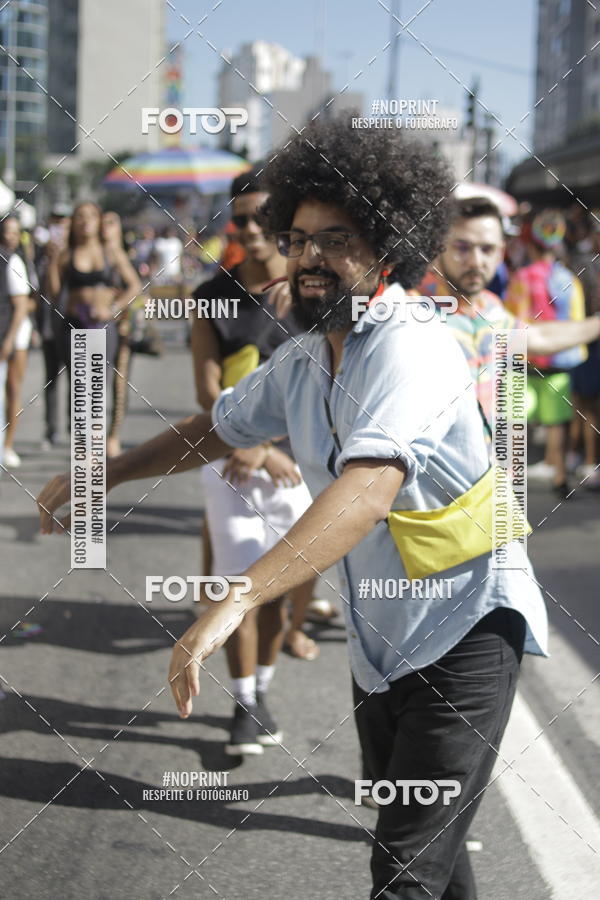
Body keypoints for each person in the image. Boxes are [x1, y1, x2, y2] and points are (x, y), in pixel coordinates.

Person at [38, 117, 549, 900]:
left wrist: (240, 593)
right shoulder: (308, 355)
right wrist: (108, 471)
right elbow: (218, 426)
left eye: (336, 239)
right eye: (299, 237)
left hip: (470, 629)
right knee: (425, 850)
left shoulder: (411, 345)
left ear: (388, 247)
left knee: (406, 866)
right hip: (385, 641)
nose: (311, 255)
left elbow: (370, 486)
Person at [191, 165, 317, 754]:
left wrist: (273, 449)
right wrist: (247, 446)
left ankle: (262, 688)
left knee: (272, 591)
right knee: (236, 581)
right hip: (229, 461)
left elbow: (332, 385)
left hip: (300, 465)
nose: (253, 228)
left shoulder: (317, 292)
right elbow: (206, 387)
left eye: (264, 217)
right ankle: (244, 703)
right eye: (241, 218)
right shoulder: (210, 297)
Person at [417, 198, 600, 433]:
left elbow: (537, 337)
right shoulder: (414, 311)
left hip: (491, 463)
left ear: (500, 252)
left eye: (487, 249)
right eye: (462, 247)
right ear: (440, 248)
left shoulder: (489, 307)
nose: (476, 261)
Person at [505, 211, 588, 494]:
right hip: (560, 360)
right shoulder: (569, 280)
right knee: (557, 422)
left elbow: (510, 318)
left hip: (526, 359)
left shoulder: (523, 277)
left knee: (516, 419)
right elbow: (576, 323)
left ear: (531, 245)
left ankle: (510, 479)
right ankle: (559, 476)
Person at [46, 200, 140, 427]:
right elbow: (55, 294)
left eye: (91, 216)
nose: (85, 221)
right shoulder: (66, 254)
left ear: (99, 221)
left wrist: (113, 309)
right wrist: (52, 261)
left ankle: (93, 446)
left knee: (97, 387)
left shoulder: (111, 252)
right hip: (74, 324)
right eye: (79, 216)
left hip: (103, 326)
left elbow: (135, 286)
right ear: (73, 223)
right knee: (79, 387)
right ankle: (80, 440)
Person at [101, 211, 142, 458]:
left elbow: (136, 288)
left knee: (118, 385)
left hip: (121, 328)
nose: (106, 228)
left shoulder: (123, 256)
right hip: (94, 328)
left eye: (111, 223)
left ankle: (113, 435)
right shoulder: (92, 255)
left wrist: (117, 307)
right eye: (103, 222)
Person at [1, 215, 35, 467]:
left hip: (15, 333)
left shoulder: (16, 261)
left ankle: (8, 445)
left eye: (14, 232)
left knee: (12, 388)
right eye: (5, 231)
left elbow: (23, 305)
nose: (8, 236)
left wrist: (9, 341)